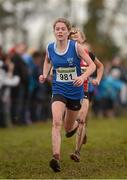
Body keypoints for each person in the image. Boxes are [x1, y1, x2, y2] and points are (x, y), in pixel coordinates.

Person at [39, 18, 96, 172]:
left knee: (68, 127)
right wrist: (44, 74)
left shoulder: (76, 47)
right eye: (57, 29)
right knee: (56, 122)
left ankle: (78, 127)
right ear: (54, 31)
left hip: (75, 91)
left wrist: (83, 77)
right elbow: (47, 61)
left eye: (63, 29)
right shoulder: (50, 47)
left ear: (68, 31)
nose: (60, 31)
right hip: (58, 90)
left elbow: (92, 65)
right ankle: (55, 157)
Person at [69, 27, 104, 162]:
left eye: (76, 35)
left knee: (82, 119)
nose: (74, 37)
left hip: (84, 91)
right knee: (72, 123)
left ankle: (77, 152)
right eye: (71, 36)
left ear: (83, 39)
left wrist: (97, 80)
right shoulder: (66, 55)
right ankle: (82, 131)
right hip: (68, 93)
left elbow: (100, 66)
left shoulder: (87, 54)